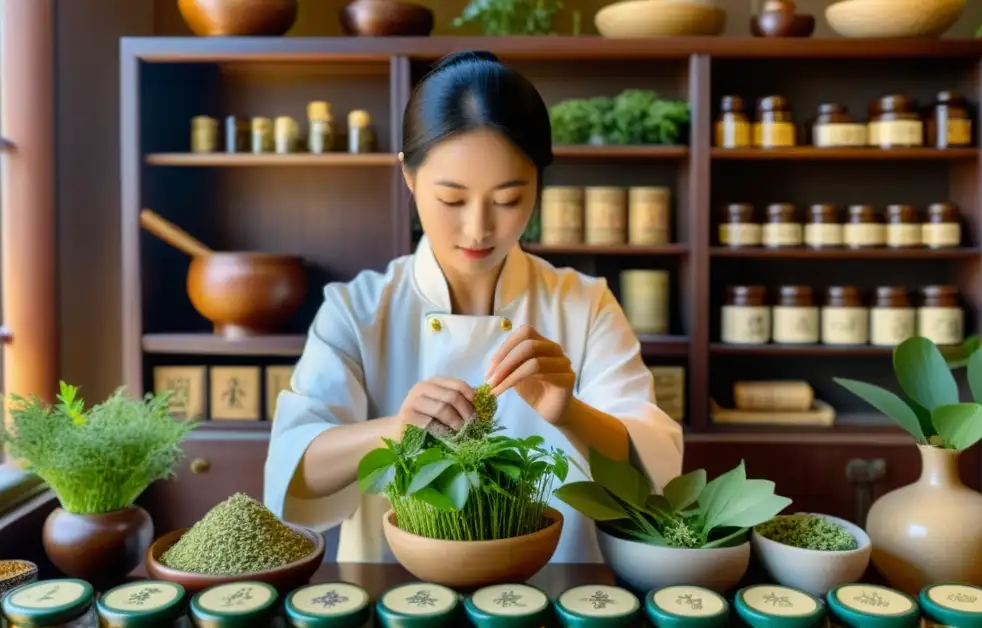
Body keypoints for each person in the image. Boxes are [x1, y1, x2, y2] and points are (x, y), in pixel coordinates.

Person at [264, 50, 683, 563]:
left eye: (508, 200)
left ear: (538, 185)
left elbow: (653, 472)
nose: (479, 229)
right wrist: (396, 429)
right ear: (409, 177)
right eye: (452, 199)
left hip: (555, 595)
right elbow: (294, 466)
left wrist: (567, 412)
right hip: (397, 598)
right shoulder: (357, 309)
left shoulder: (584, 304)